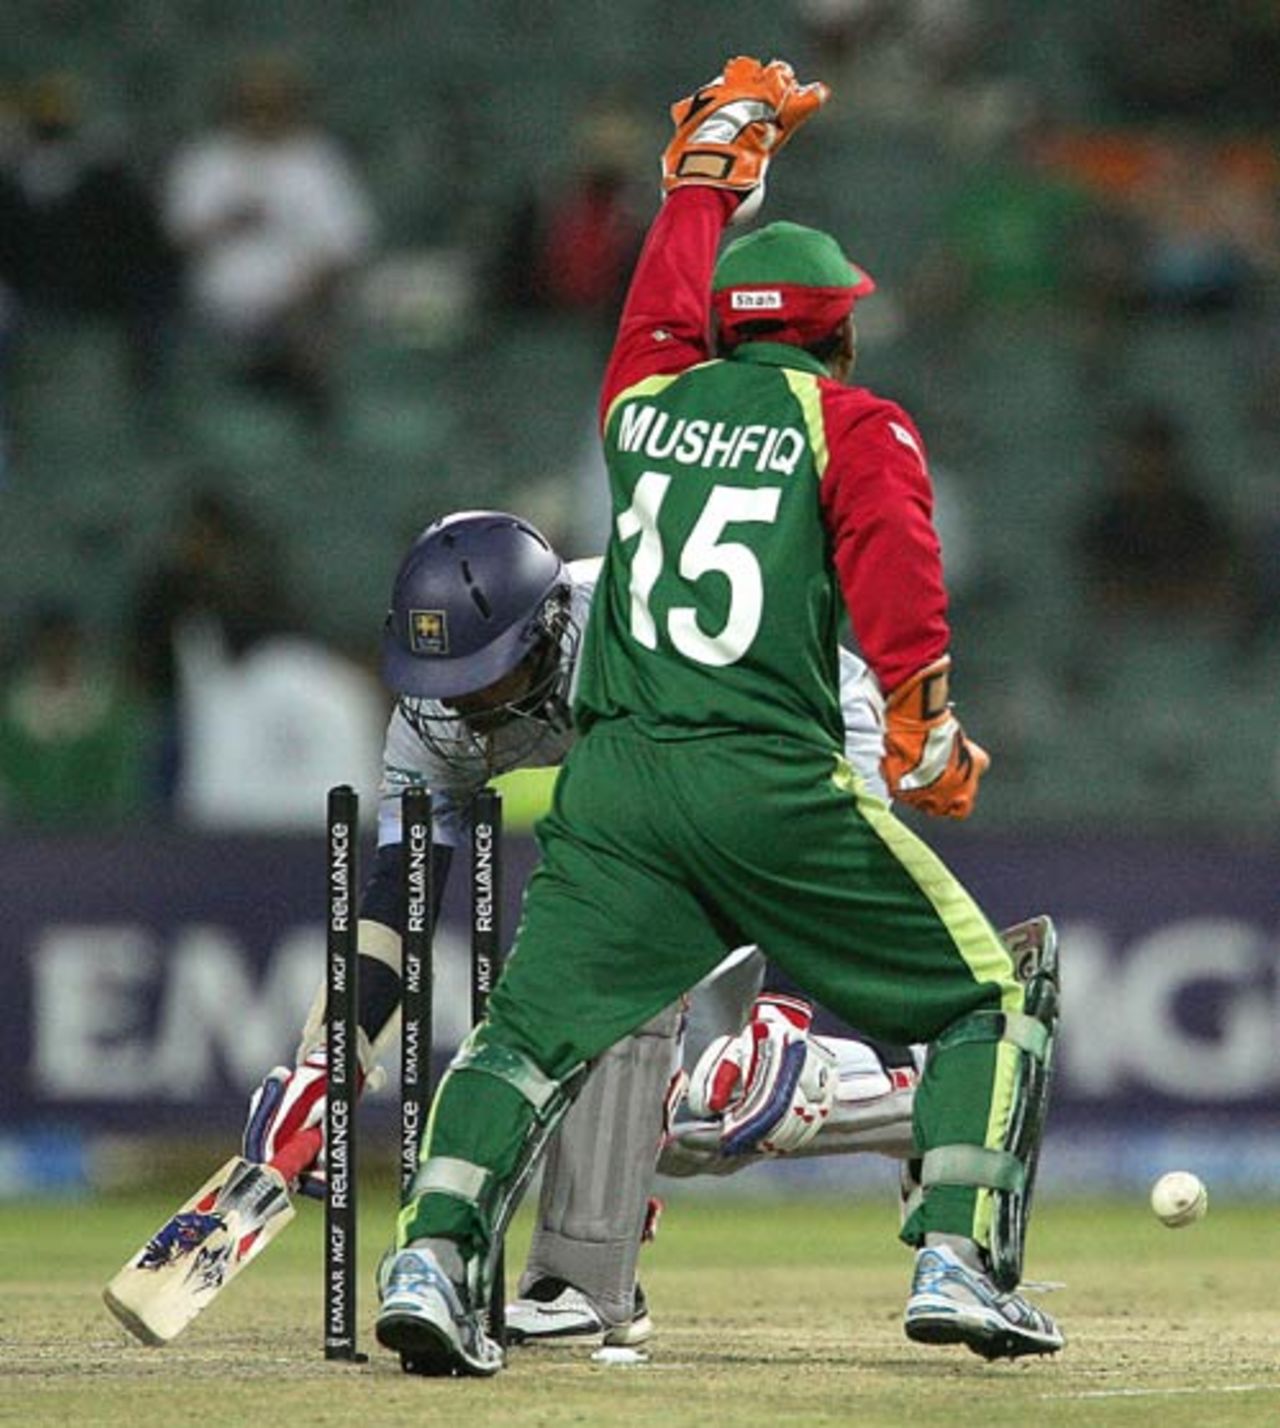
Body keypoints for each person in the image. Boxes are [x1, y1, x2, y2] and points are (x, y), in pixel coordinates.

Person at [374, 57, 1063, 1376]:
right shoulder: (851, 423)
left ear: (729, 328)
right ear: (834, 331)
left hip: (621, 783)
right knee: (993, 991)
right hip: (768, 776)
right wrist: (924, 725)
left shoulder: (639, 407)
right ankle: (959, 1263)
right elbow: (897, 579)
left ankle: (434, 1256)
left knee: (524, 1040)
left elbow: (653, 308)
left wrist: (704, 180)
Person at [243, 506, 931, 1346]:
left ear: (549, 631)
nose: (464, 704)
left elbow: (796, 814)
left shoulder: (645, 630)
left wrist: (785, 1007)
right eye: (444, 679)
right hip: (654, 786)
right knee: (691, 1125)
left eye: (485, 676)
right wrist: (331, 1057)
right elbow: (399, 895)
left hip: (812, 740)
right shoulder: (434, 712)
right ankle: (926, 1107)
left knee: (741, 1056)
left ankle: (931, 1080)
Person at [163, 52, 375, 426]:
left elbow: (347, 245)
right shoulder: (205, 159)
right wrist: (230, 221)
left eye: (274, 105)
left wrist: (306, 291)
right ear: (232, 107)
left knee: (320, 329)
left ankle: (306, 412)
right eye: (252, 105)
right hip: (216, 312)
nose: (262, 114)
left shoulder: (318, 160)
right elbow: (175, 241)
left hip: (300, 310)